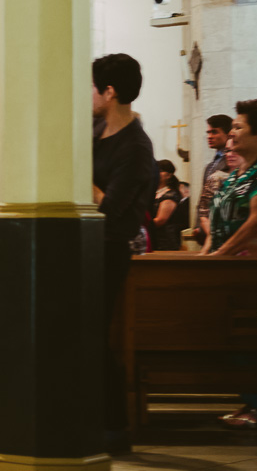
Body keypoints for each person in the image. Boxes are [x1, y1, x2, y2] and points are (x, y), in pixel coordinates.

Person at [91, 53, 156, 454]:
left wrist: (73, 172)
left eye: (93, 86)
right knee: (78, 334)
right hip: (81, 245)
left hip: (110, 249)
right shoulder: (95, 128)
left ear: (109, 91)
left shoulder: (136, 145)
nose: (89, 95)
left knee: (94, 336)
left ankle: (115, 426)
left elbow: (111, 208)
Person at [206, 99, 257, 257]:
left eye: (238, 127)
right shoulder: (236, 175)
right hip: (225, 261)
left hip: (251, 265)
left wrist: (221, 254)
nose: (231, 133)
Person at [190, 114, 234, 242]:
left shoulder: (232, 163)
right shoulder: (210, 165)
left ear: (228, 133)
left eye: (214, 132)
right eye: (208, 132)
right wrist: (198, 225)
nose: (209, 136)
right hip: (207, 227)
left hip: (222, 228)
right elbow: (204, 199)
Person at [151, 160, 187, 251]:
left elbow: (160, 220)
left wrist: (140, 224)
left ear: (169, 175)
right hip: (153, 238)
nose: (156, 173)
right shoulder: (152, 192)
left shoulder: (170, 195)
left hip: (164, 241)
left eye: (160, 170)